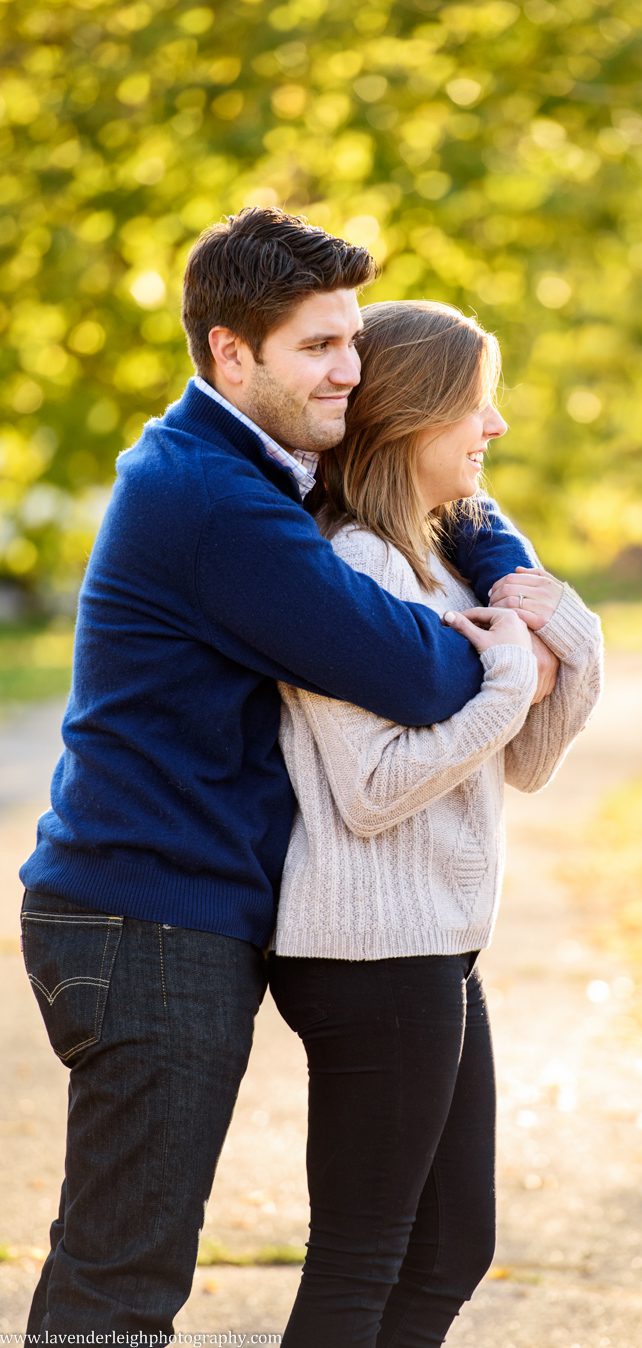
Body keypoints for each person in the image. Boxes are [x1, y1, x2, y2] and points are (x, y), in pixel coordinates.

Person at [17, 207, 559, 1337]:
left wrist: (500, 562)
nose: (350, 375)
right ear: (230, 350)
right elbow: (414, 675)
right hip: (144, 917)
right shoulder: (215, 502)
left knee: (137, 1268)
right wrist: (510, 657)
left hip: (174, 912)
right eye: (319, 347)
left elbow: (424, 470)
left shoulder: (248, 465)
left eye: (353, 343)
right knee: (123, 1279)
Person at [268, 300, 603, 1346]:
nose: (495, 426)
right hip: (369, 951)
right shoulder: (354, 568)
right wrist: (512, 674)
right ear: (411, 418)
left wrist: (563, 632)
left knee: (451, 1248)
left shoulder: (451, 563)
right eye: (474, 403)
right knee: (367, 1251)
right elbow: (374, 789)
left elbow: (532, 762)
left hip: (438, 947)